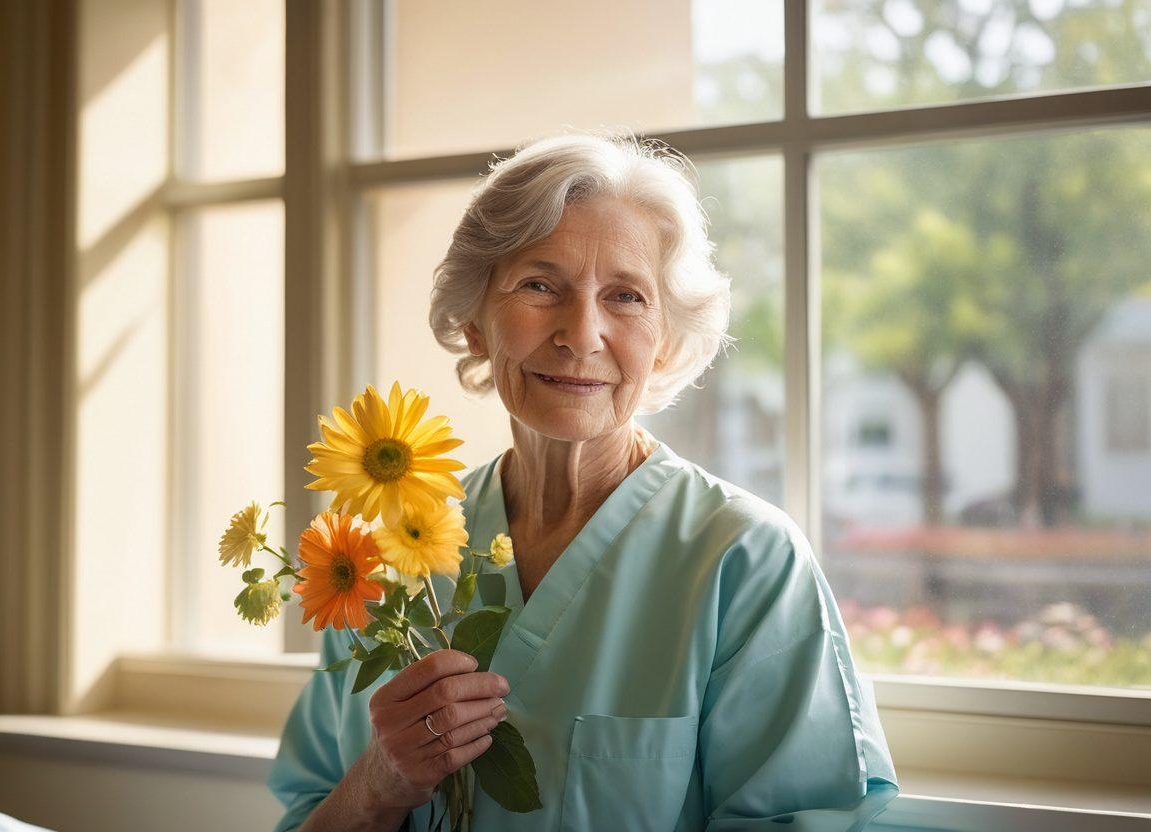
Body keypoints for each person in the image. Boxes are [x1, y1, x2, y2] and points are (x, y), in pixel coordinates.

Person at [267, 131, 900, 831]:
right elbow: (307, 812)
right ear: (477, 321)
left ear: (664, 341)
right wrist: (377, 786)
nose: (582, 333)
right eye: (541, 285)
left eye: (626, 297)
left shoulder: (746, 560)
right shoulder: (382, 558)